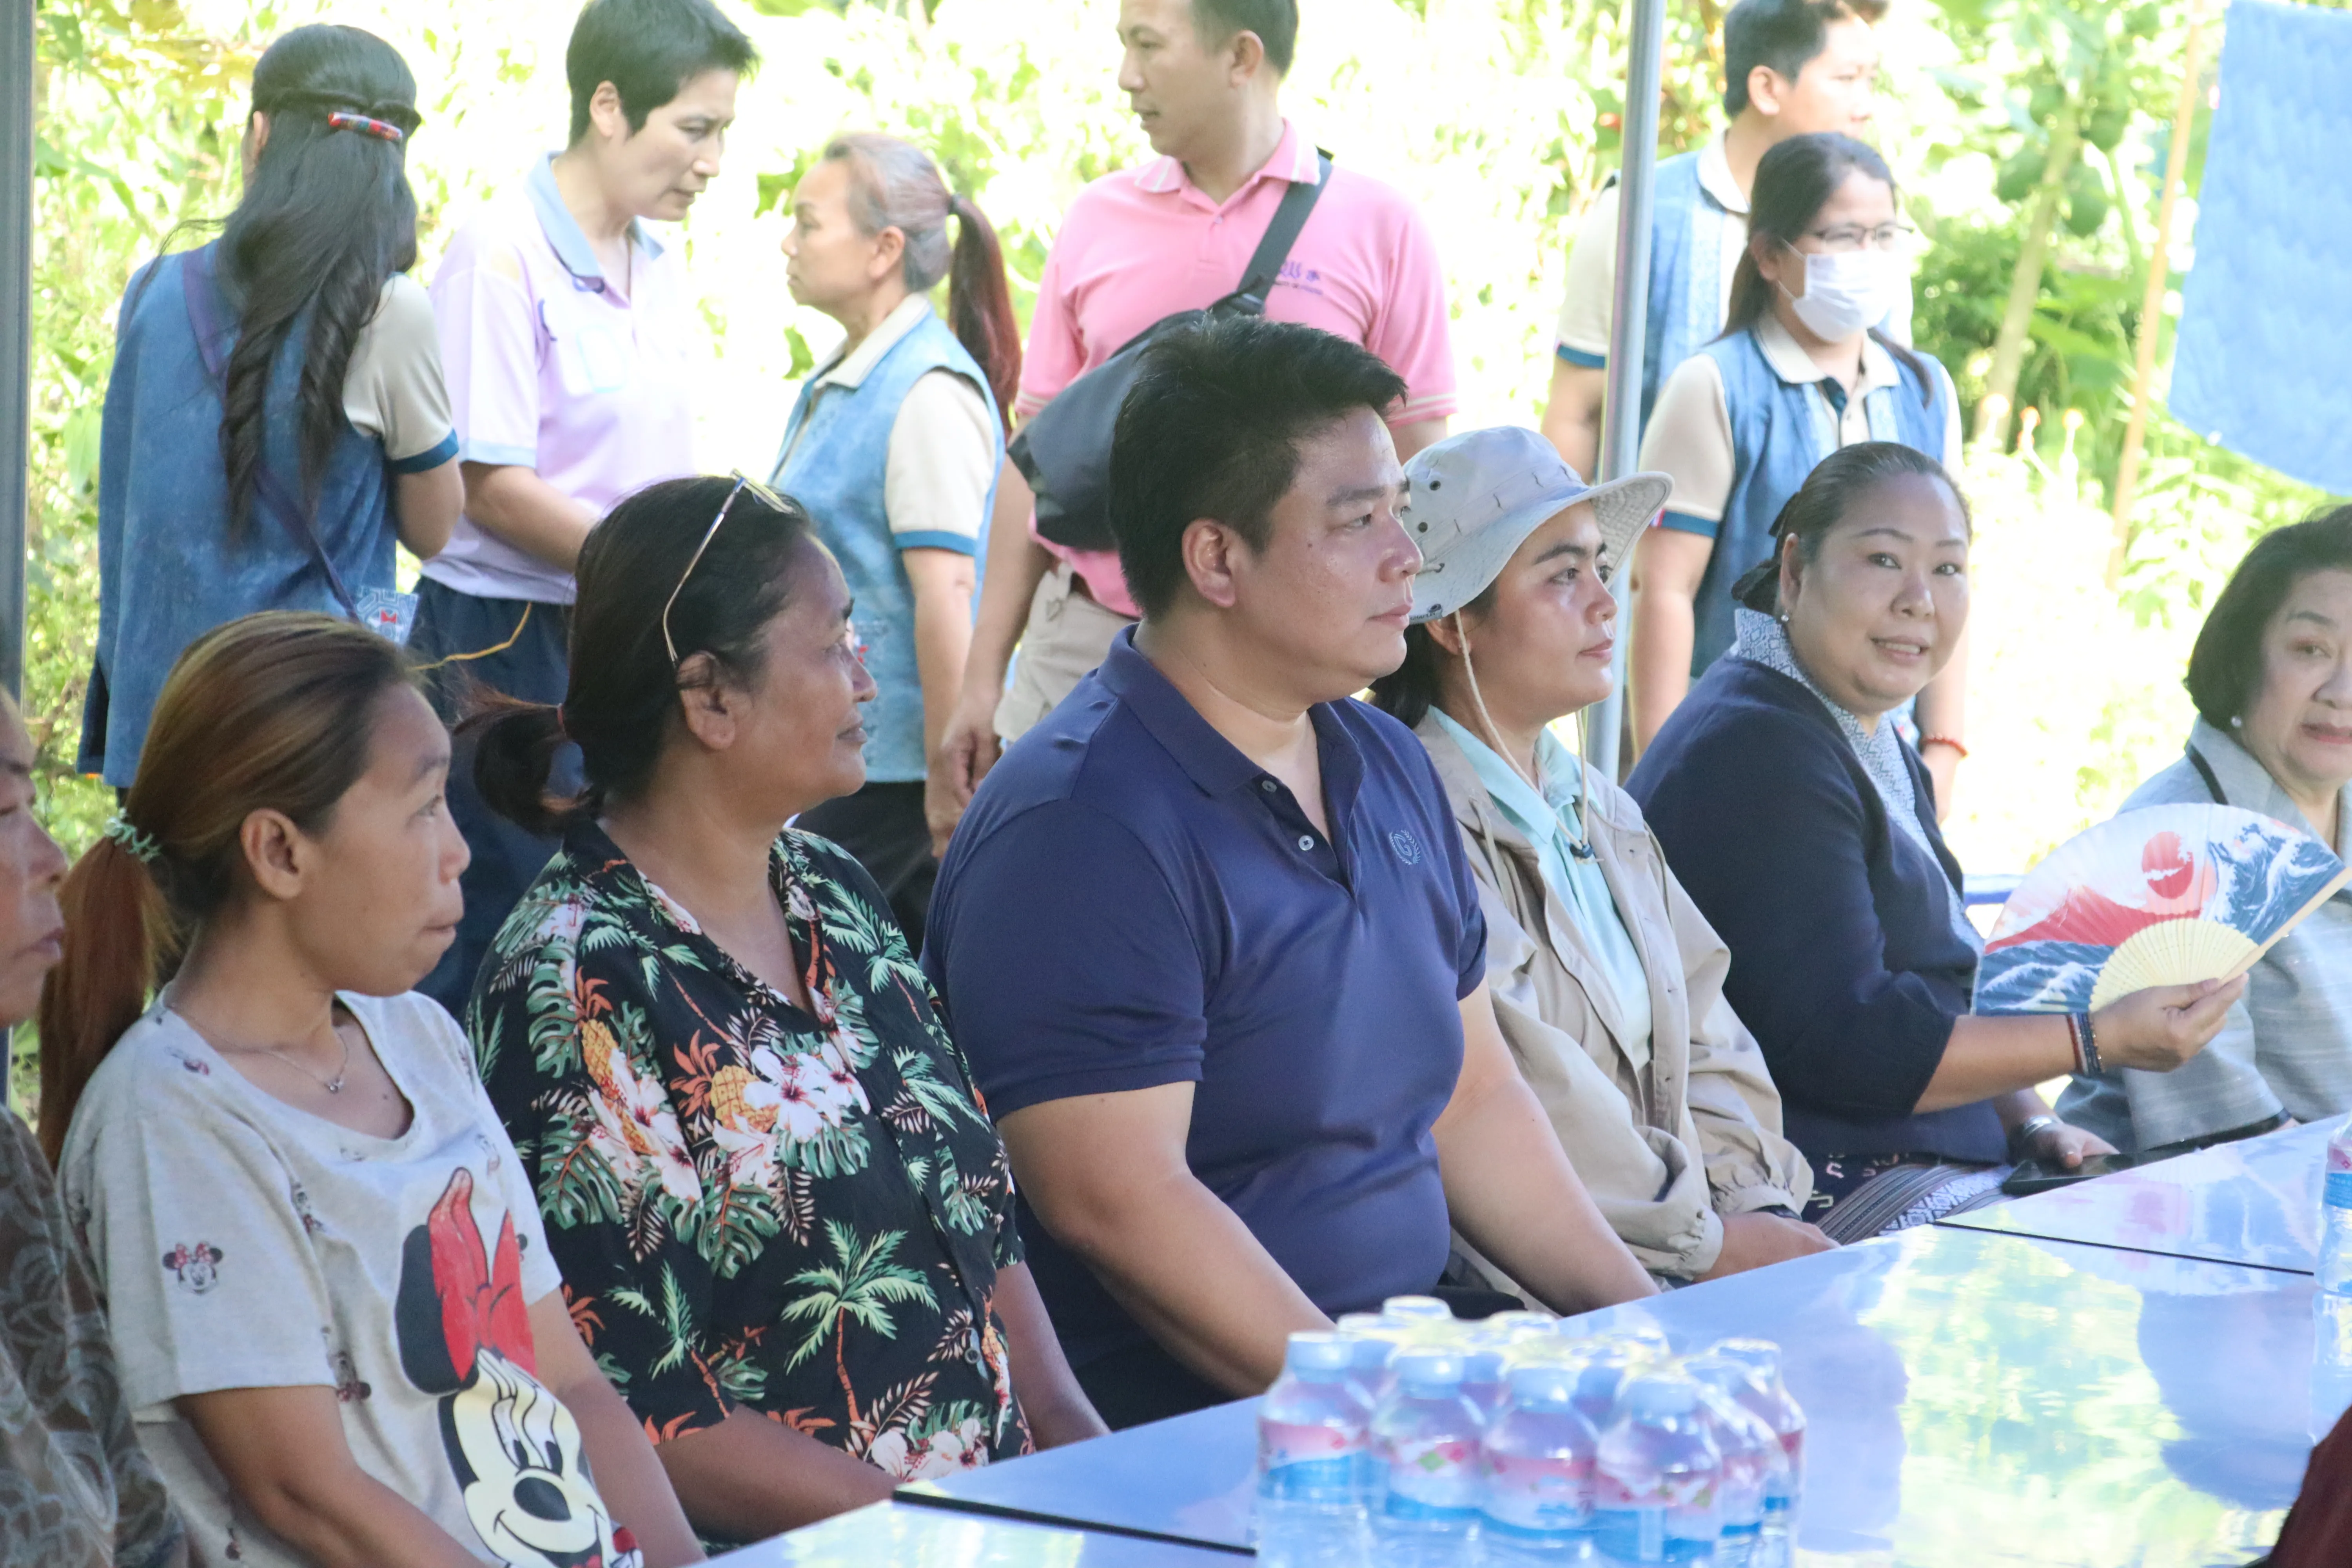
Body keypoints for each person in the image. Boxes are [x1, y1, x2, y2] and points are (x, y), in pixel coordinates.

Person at [926, 317, 1655, 1432]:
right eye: (1358, 521)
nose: (1407, 557)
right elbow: (1118, 1206)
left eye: (1398, 513)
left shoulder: (1386, 760)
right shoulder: (1081, 829)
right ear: (1217, 559)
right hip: (1203, 1438)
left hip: (1417, 1369)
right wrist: (1391, 1418)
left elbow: (1472, 1098)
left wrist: (1643, 1331)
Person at [464, 477, 1106, 1542]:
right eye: (834, 645)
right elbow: (641, 1400)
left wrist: (1078, 1450)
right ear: (710, 697)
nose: (867, 680)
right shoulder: (579, 980)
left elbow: (974, 1214)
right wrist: (957, 1530)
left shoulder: (834, 891)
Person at [43, 613, 700, 1568]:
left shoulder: (420, 1040)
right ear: (279, 851)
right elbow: (308, 1493)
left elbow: (567, 1378)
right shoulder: (173, 1116)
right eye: (424, 808)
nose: (459, 853)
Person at [1628, 442, 2240, 1240]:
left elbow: (1943, 983)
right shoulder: (1761, 748)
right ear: (1794, 571)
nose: (1919, 599)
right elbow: (1855, 1042)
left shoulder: (1854, 730)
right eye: (1883, 559)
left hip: (1939, 1157)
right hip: (1817, 1188)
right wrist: (2097, 1037)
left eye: (1948, 569)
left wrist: (2027, 1121)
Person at [931, 0, 1459, 837]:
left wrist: (1421, 669)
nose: (1126, 76)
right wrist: (980, 679)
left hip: (1288, 675)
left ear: (1241, 56)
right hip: (1086, 645)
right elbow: (1028, 466)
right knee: (1066, 877)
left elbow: (1424, 466)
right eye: (1123, 47)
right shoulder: (1097, 218)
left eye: (1147, 46)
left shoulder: (1377, 224)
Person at [1368, 426, 1831, 1285]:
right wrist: (1708, 1245)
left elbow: (1707, 1030)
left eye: (1598, 565)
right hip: (1521, 1288)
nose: (1606, 600)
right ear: (1456, 620)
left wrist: (1752, 1206)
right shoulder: (1410, 818)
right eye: (1560, 574)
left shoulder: (1599, 804)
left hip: (1689, 1256)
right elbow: (1523, 1089)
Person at [416, 0, 757, 1015]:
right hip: (507, 633)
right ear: (608, 106)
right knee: (498, 911)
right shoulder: (500, 253)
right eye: (694, 129)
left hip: (616, 620)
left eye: (723, 134)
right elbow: (489, 485)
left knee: (605, 912)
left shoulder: (654, 259)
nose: (710, 160)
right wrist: (659, 562)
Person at [80, 24, 461, 789]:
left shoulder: (154, 291)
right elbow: (436, 529)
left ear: (260, 137)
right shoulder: (387, 312)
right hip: (303, 742)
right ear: (392, 164)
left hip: (160, 730)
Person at [1631, 132, 1967, 811]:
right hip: (1740, 754)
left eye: (1884, 235)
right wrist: (1664, 778)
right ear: (1770, 255)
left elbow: (1947, 579)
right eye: (1842, 236)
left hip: (1889, 763)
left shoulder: (1925, 390)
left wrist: (1941, 754)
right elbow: (1664, 589)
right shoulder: (1718, 386)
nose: (1867, 258)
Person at [770, 133, 1018, 942]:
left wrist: (949, 784)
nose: (790, 241)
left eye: (808, 222)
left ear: (883, 250)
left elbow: (947, 593)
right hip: (852, 760)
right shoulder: (847, 376)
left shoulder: (926, 392)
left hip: (903, 784)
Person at [2061, 507, 2352, 1152]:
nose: (2343, 690)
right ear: (2246, 656)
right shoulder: (2174, 845)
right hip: (2185, 1209)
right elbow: (2221, 1130)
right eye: (2311, 650)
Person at [1540, 0, 1891, 481]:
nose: (1865, 107)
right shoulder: (1641, 212)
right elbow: (1577, 410)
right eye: (1847, 80)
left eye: (1871, 81)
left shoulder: (1876, 232)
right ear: (1767, 88)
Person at [0, 691, 187, 1568]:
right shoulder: (166, 1111)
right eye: (6, 813)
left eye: (34, 809)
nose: (51, 856)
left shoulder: (7, 1159)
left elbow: (137, 1517)